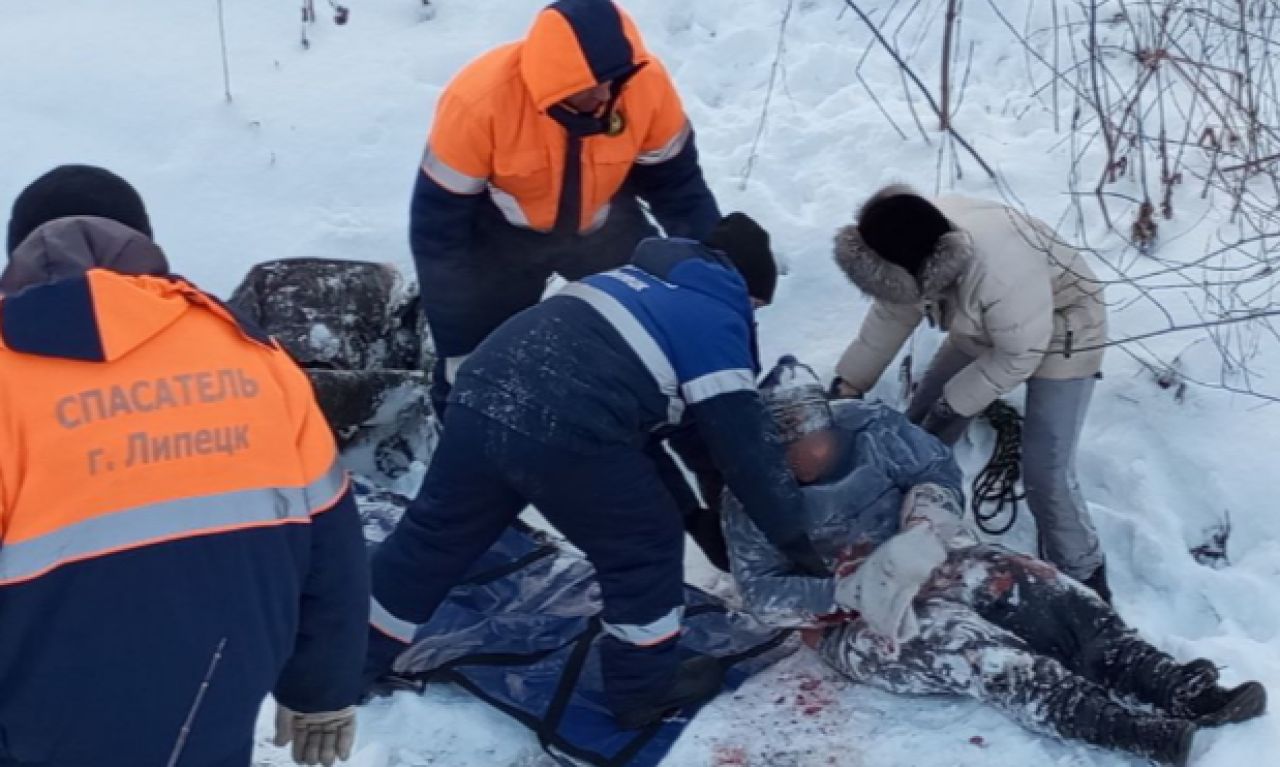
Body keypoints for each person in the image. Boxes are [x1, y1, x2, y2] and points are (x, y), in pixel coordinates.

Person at [365, 216, 826, 730]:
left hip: (484, 392)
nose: (754, 317)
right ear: (746, 286)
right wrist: (796, 538)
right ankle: (643, 689)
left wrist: (696, 515)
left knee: (436, 534)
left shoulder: (632, 283)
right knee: (643, 545)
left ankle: (346, 661)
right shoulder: (717, 310)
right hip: (565, 421)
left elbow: (642, 438)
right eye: (758, 306)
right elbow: (742, 447)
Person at [724, 357, 1267, 767]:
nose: (798, 461)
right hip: (852, 618)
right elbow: (760, 594)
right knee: (972, 648)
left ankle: (1173, 684)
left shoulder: (871, 430)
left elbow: (936, 470)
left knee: (1047, 592)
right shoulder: (749, 491)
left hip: (931, 557)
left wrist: (924, 521)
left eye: (807, 443)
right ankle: (1122, 728)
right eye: (783, 450)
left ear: (825, 427)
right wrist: (841, 593)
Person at [0, 166, 369, 767]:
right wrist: (321, 688)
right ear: (144, 242)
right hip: (210, 710)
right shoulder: (255, 357)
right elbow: (333, 542)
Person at [409, 0, 721, 415]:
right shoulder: (478, 102)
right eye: (590, 87)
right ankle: (461, 430)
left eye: (614, 81)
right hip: (502, 239)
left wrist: (714, 276)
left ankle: (669, 427)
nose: (606, 95)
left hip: (605, 227)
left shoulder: (646, 86)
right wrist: (458, 336)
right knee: (474, 365)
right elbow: (438, 233)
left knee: (660, 334)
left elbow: (679, 188)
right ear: (552, 85)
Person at [829, 184, 1112, 599]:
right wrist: (847, 385)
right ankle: (912, 530)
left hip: (1062, 328)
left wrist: (954, 402)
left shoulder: (999, 272)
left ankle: (1083, 574)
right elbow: (891, 315)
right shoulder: (912, 239)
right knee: (917, 432)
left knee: (1044, 471)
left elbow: (1019, 355)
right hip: (979, 319)